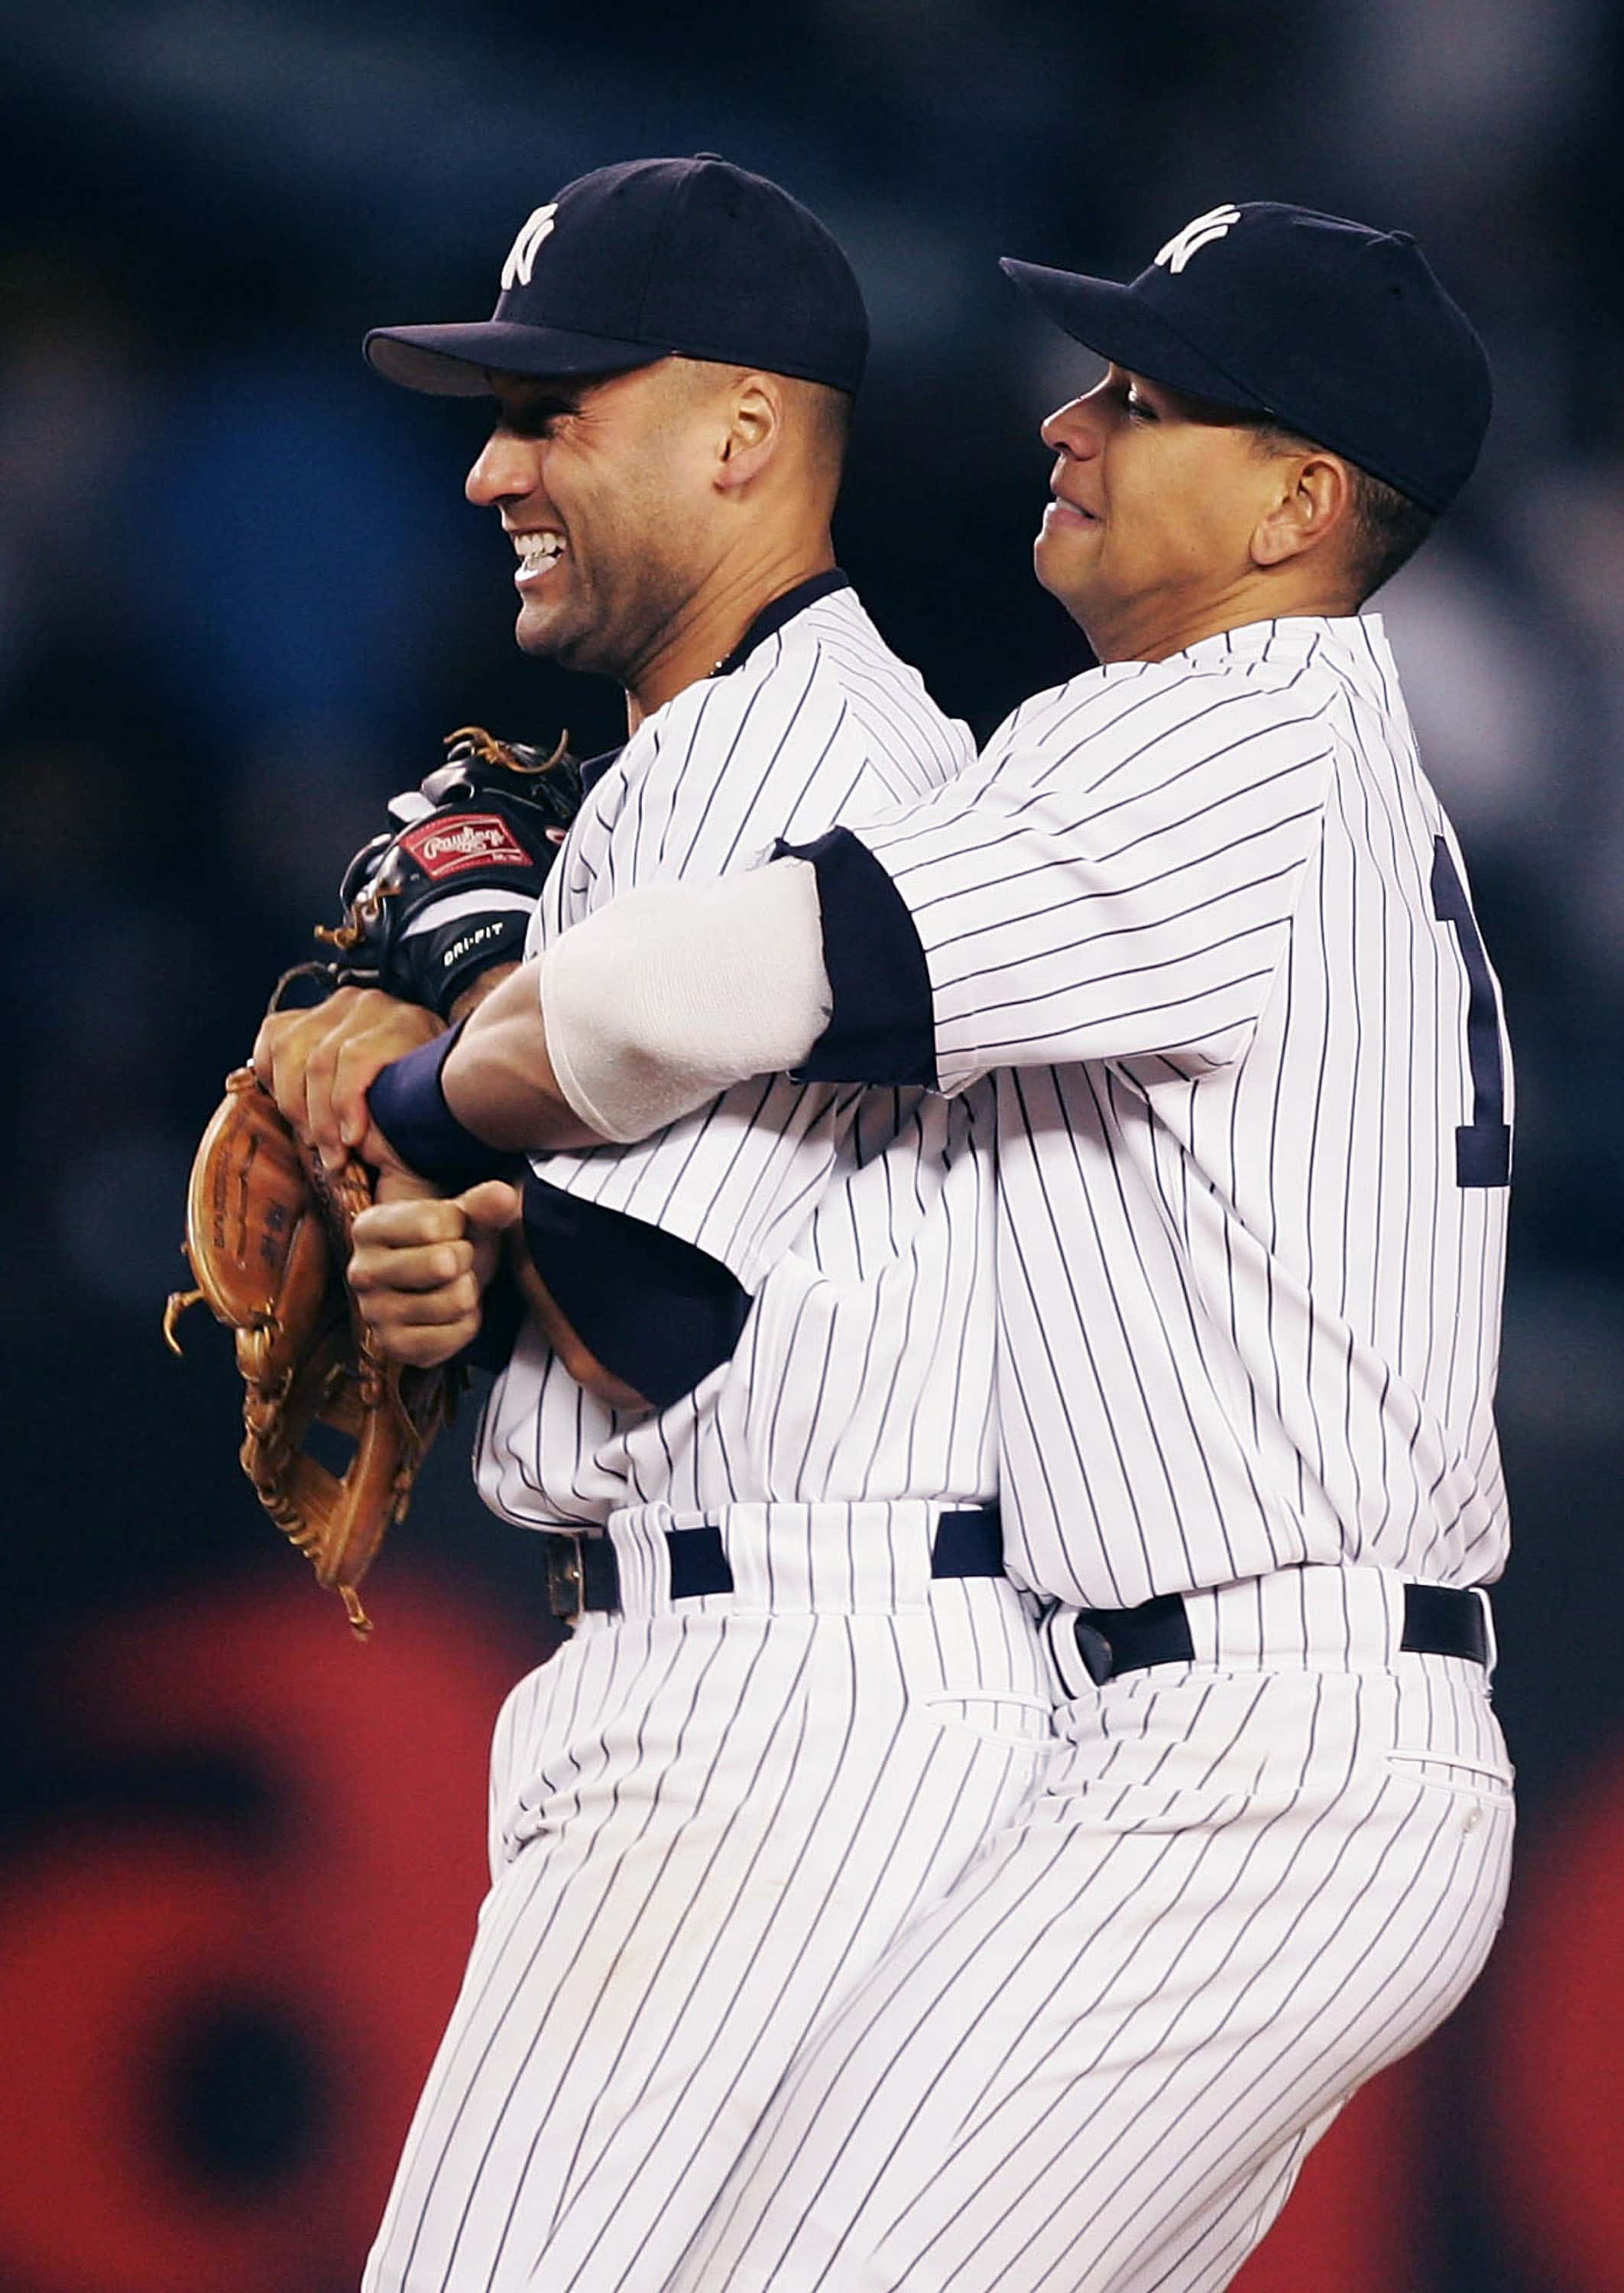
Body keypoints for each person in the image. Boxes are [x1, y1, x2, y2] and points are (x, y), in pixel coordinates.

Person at [347, 202, 1517, 2291]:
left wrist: (432, 1079)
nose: (1070, 422)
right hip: (1164, 1724)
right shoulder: (1173, 744)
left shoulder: (1244, 739)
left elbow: (736, 984)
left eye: (1145, 400)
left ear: (1299, 505)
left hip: (1263, 1747)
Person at [260, 154, 1055, 2293]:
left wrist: (448, 1088)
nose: (492, 471)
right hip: (803, 1663)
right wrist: (459, 1236)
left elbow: (655, 1301)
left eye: (555, 413)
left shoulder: (778, 766)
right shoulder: (737, 752)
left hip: (776, 1686)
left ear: (742, 432)